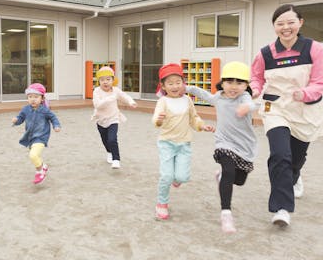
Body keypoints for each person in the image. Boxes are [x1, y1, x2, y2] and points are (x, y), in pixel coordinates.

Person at [250, 4, 323, 227]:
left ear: (300, 23)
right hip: (276, 108)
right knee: (280, 155)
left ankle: (294, 176)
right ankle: (282, 208)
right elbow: (256, 78)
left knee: (295, 158)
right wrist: (255, 89)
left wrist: (304, 93)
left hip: (305, 109)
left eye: (290, 22)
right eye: (280, 23)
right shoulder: (265, 53)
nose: (286, 27)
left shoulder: (314, 49)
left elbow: (320, 81)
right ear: (274, 27)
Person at [186, 62, 259, 234]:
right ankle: (226, 213)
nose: (234, 87)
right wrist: (188, 88)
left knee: (239, 180)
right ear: (222, 83)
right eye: (229, 82)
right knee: (229, 171)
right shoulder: (219, 97)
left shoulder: (244, 98)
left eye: (239, 83)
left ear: (246, 85)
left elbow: (253, 104)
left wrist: (246, 107)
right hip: (224, 142)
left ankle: (221, 177)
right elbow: (205, 95)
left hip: (244, 146)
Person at [152, 63, 213, 220]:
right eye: (170, 83)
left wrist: (202, 125)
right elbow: (155, 120)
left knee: (182, 177)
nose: (174, 86)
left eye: (178, 82)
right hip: (166, 143)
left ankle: (177, 180)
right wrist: (158, 120)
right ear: (163, 86)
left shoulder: (187, 100)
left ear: (183, 83)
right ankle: (161, 204)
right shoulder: (163, 102)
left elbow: (194, 118)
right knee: (166, 176)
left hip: (184, 145)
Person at [12, 83, 61, 184]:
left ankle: (40, 172)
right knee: (35, 155)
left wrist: (56, 125)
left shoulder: (44, 110)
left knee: (33, 155)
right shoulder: (26, 109)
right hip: (30, 137)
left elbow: (53, 117)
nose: (33, 99)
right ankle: (43, 166)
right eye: (30, 97)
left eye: (36, 97)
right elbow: (21, 118)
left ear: (42, 98)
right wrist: (16, 120)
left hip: (41, 137)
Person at [92, 66, 137, 169]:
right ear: (99, 81)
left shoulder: (116, 90)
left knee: (112, 139)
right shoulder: (97, 91)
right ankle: (109, 152)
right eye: (102, 80)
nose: (105, 82)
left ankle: (116, 159)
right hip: (100, 120)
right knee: (105, 140)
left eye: (108, 79)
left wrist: (131, 102)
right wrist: (110, 98)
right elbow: (98, 105)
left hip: (113, 119)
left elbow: (124, 96)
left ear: (113, 80)